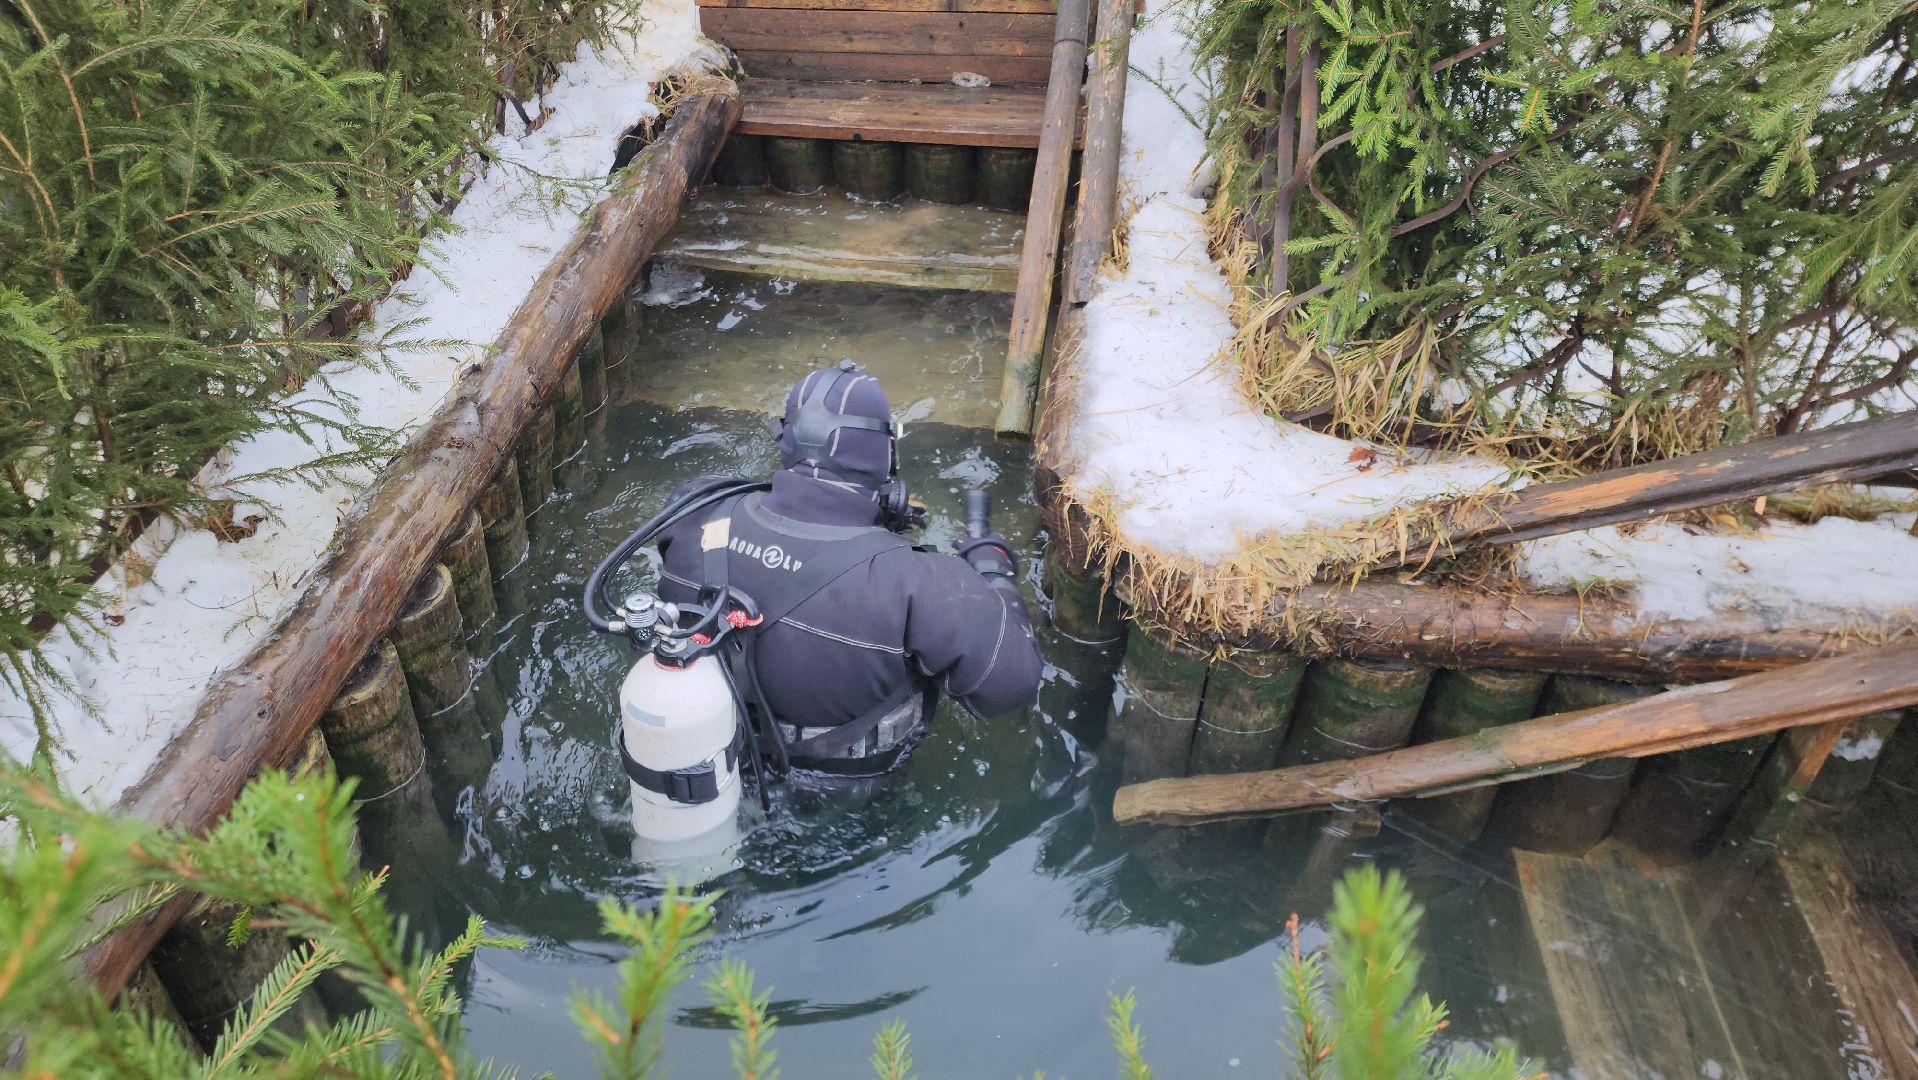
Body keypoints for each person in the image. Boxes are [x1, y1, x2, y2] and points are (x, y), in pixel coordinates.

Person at [651, 361, 1044, 774]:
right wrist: (991, 572)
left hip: (706, 761)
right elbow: (1010, 686)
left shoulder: (696, 509)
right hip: (849, 801)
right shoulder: (922, 583)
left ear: (785, 437)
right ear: (886, 453)